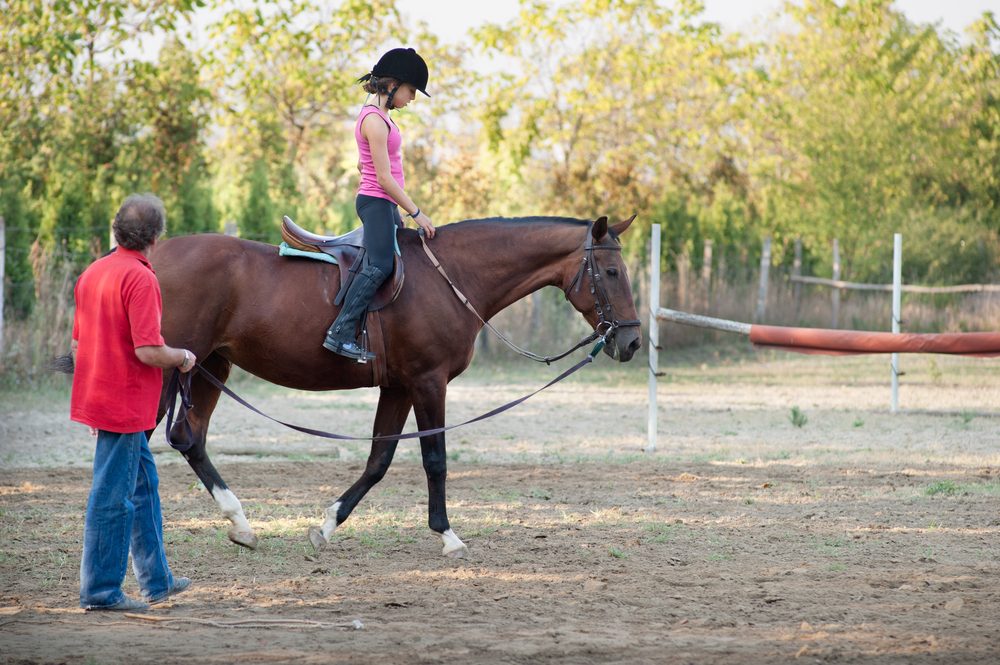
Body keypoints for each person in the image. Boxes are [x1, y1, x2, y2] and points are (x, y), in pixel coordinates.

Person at [71, 194, 196, 612]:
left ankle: (157, 580)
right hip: (124, 404)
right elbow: (148, 350)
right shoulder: (141, 279)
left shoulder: (93, 272)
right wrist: (181, 357)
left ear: (118, 231)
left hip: (109, 399)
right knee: (113, 497)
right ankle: (101, 592)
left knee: (144, 488)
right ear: (156, 237)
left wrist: (91, 399)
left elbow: (78, 344)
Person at [323, 47, 437, 362]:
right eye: (411, 90)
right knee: (381, 265)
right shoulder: (373, 120)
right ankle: (340, 332)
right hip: (376, 201)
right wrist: (417, 213)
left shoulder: (382, 117)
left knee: (401, 263)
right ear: (393, 84)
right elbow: (385, 179)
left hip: (386, 202)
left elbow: (369, 166)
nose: (412, 98)